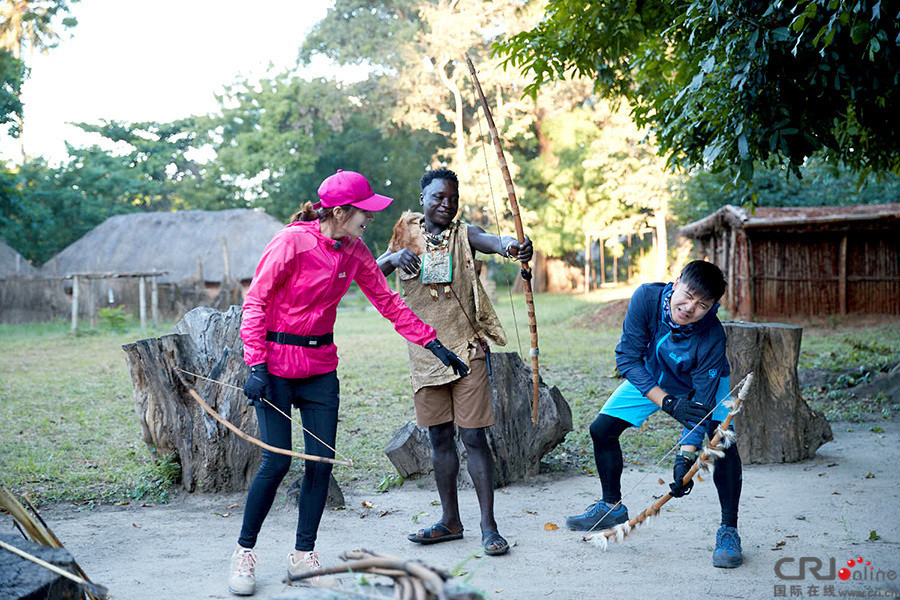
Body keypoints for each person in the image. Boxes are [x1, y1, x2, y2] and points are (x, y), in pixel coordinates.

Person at [229, 170, 470, 596]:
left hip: (321, 367)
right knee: (277, 462)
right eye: (364, 212)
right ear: (340, 212)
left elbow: (389, 303)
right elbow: (256, 301)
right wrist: (256, 366)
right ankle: (245, 552)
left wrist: (434, 344)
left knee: (320, 464)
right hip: (277, 367)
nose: (369, 220)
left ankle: (304, 554)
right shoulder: (291, 242)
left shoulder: (354, 251)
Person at [377, 167, 533, 557]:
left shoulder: (465, 234)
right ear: (423, 200)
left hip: (466, 350)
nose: (445, 204)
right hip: (425, 352)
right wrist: (395, 257)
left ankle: (488, 526)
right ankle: (450, 521)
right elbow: (372, 271)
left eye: (452, 198)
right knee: (439, 438)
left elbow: (493, 241)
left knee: (474, 437)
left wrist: (514, 247)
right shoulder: (405, 232)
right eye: (437, 197)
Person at [565, 260, 743, 568]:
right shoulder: (646, 298)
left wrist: (684, 460)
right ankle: (610, 506)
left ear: (713, 307)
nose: (689, 308)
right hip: (654, 377)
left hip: (704, 383)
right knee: (602, 429)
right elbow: (628, 358)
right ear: (675, 283)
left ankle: (729, 530)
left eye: (702, 305)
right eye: (686, 296)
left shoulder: (712, 335)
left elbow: (700, 407)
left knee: (723, 443)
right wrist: (668, 402)